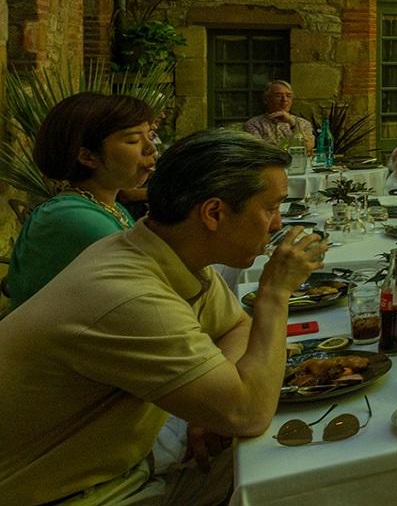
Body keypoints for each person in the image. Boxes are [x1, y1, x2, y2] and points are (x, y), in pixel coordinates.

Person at [0, 129, 329, 506]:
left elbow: (236, 325)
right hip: (72, 495)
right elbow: (248, 413)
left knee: (306, 467)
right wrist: (274, 293)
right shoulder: (131, 295)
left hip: (125, 471)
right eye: (270, 208)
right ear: (214, 213)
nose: (277, 225)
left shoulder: (163, 253)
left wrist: (212, 397)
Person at [6, 93, 160, 307]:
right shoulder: (74, 217)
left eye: (150, 135)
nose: (150, 148)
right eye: (133, 140)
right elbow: (150, 290)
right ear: (88, 157)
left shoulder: (109, 207)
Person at [240, 80, 314, 153]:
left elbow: (308, 147)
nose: (284, 99)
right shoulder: (254, 124)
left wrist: (292, 124)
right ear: (266, 99)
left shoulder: (302, 123)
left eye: (288, 96)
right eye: (278, 96)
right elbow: (258, 151)